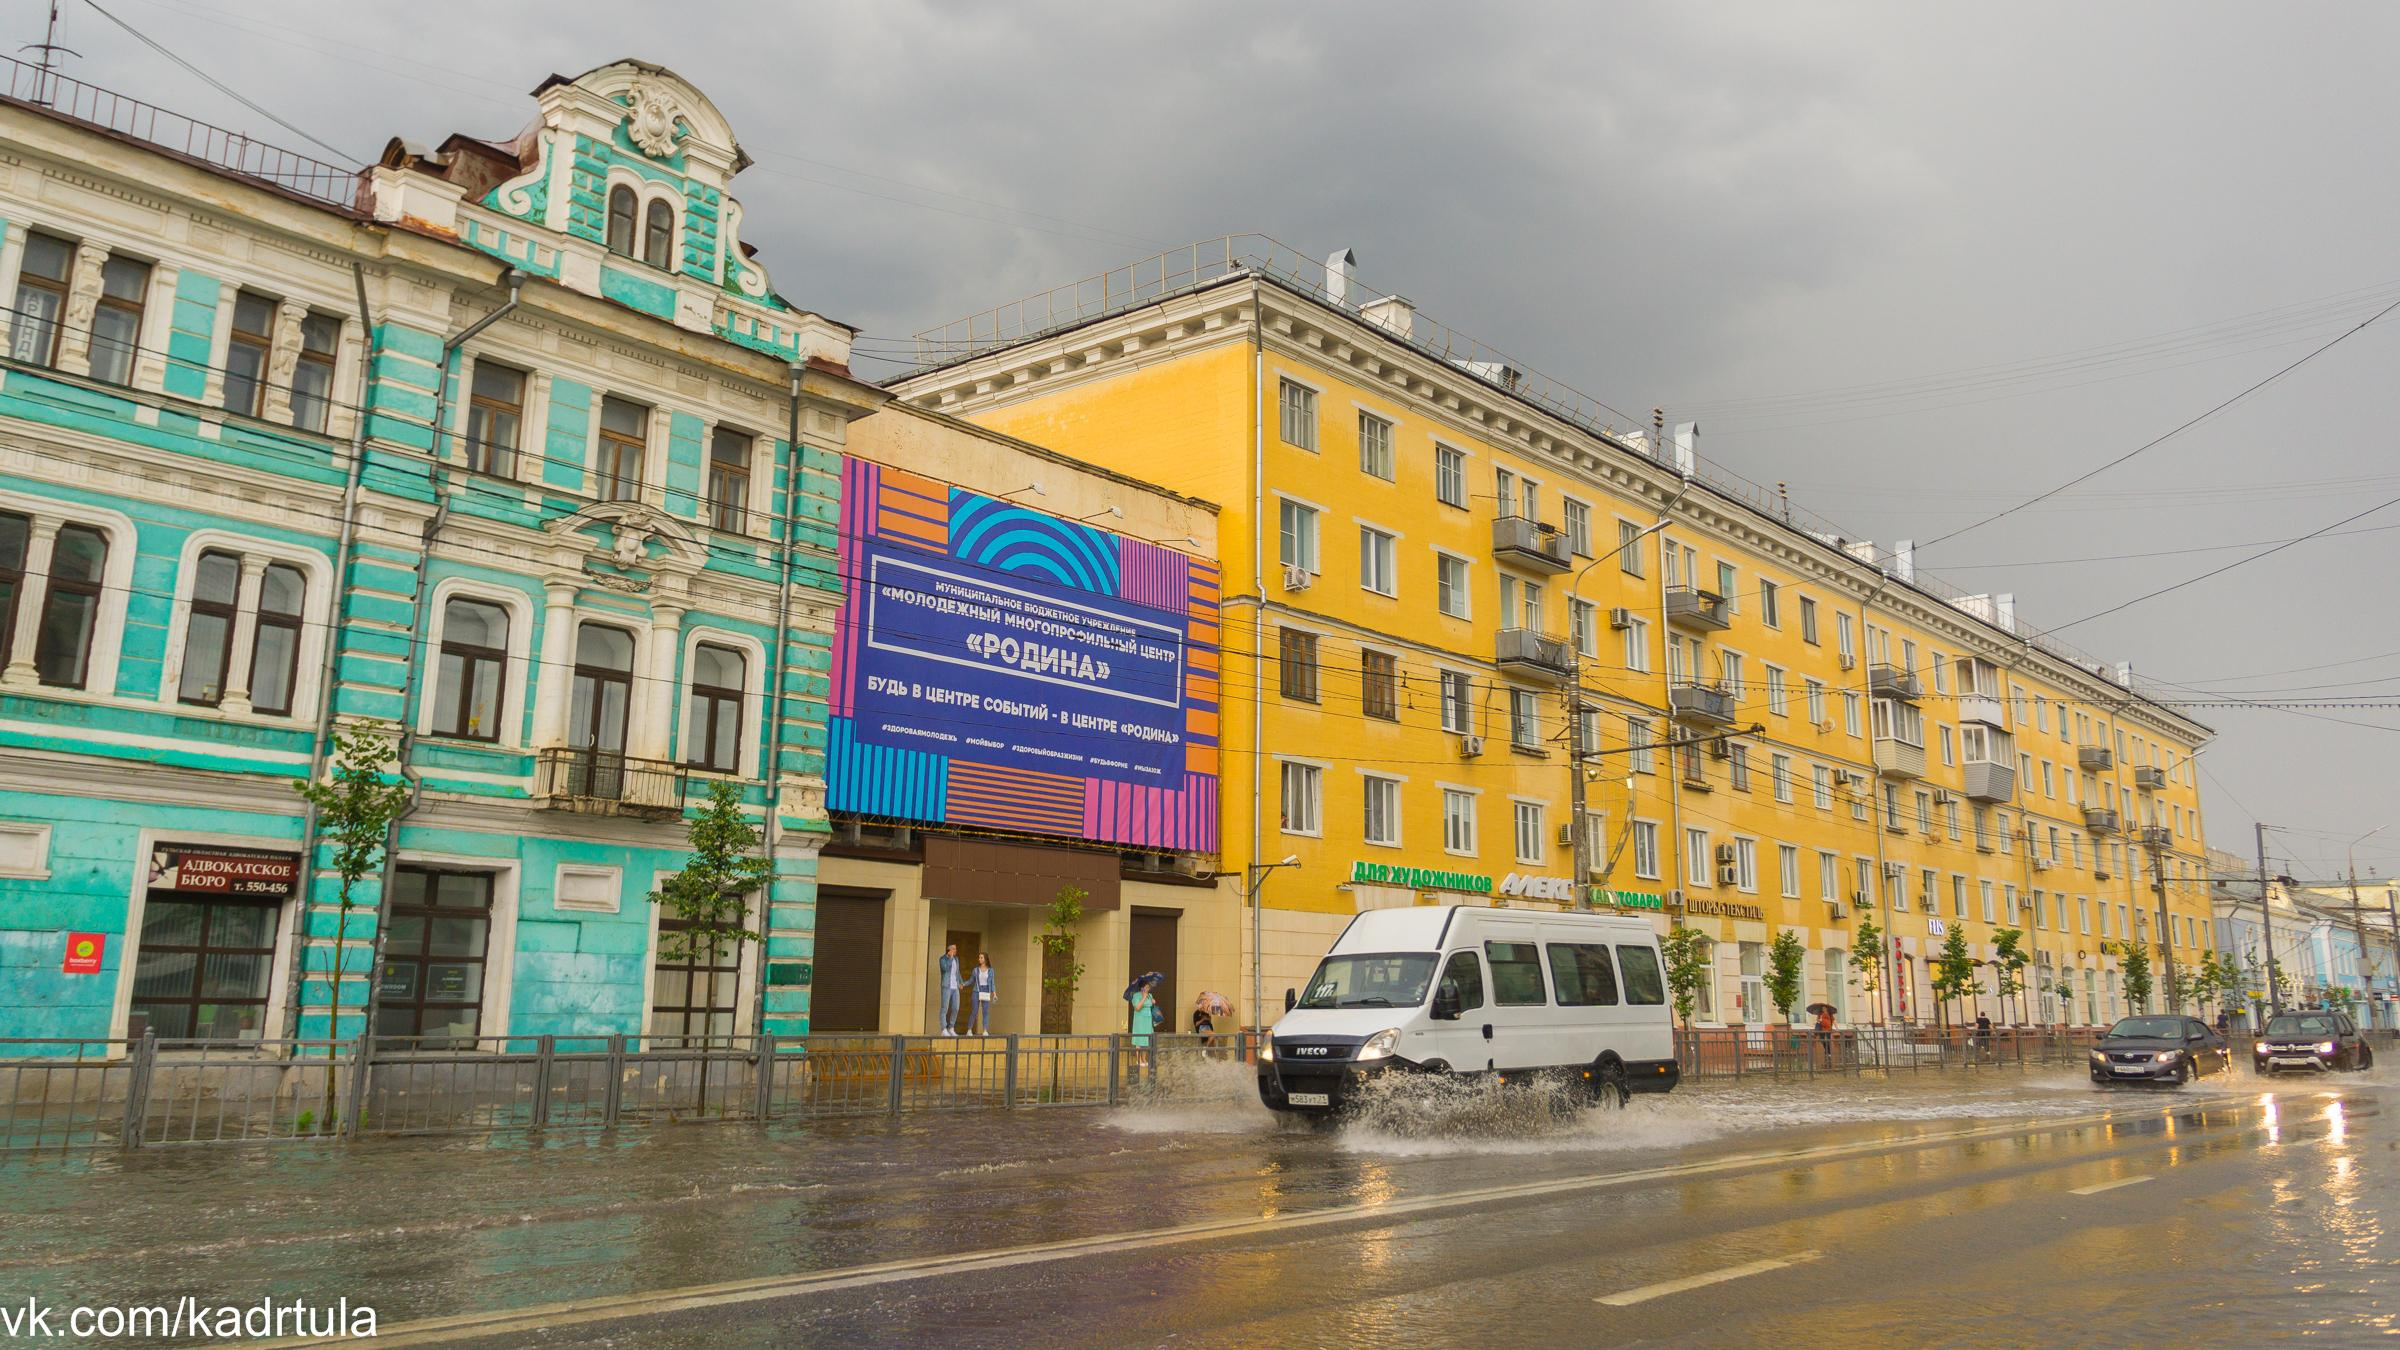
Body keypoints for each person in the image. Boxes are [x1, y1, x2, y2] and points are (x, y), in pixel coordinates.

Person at [1129, 979, 1158, 1074]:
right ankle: (1138, 1060)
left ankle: (1144, 1059)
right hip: (1140, 1020)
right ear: (1142, 988)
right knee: (1139, 1040)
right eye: (1146, 987)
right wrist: (1144, 998)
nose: (1148, 989)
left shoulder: (1150, 995)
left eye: (1148, 987)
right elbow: (1137, 1007)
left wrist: (1153, 1002)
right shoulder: (1136, 996)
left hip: (1148, 1020)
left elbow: (1151, 1006)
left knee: (1146, 1040)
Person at [967, 953, 997, 1036]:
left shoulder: (991, 970)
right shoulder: (976, 970)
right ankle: (969, 1029)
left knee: (985, 1011)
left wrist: (994, 993)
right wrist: (963, 984)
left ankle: (985, 1030)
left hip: (986, 990)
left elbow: (992, 983)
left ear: (985, 959)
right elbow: (971, 980)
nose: (979, 959)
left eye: (981, 957)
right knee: (974, 1010)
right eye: (979, 957)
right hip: (977, 990)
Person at [937, 943, 962, 1037]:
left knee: (956, 1007)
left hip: (955, 987)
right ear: (949, 950)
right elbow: (945, 969)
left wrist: (961, 982)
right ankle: (943, 1029)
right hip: (946, 986)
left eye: (955, 949)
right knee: (944, 1008)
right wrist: (950, 958)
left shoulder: (956, 959)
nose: (955, 951)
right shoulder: (943, 959)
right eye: (954, 949)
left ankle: (951, 1027)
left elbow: (957, 972)